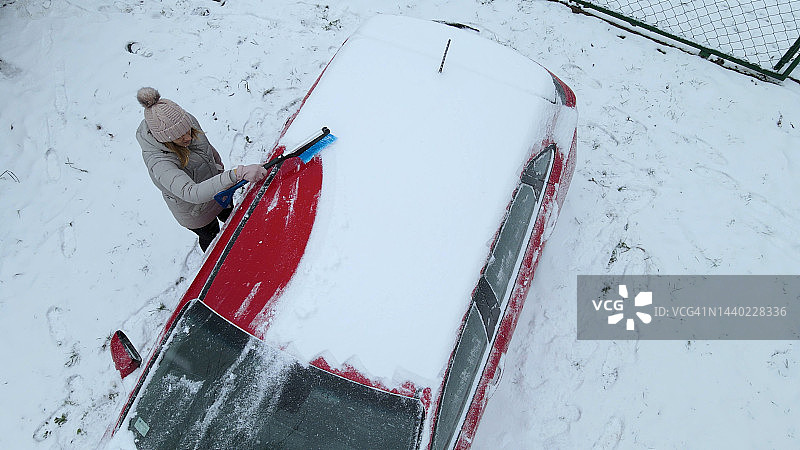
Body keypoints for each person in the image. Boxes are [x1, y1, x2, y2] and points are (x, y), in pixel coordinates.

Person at [135, 87, 267, 251]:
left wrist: (218, 167)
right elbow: (191, 192)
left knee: (233, 218)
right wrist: (236, 174)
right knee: (212, 240)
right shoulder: (160, 163)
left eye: (188, 130)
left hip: (220, 191)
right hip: (197, 212)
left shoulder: (185, 122)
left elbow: (206, 148)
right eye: (180, 136)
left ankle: (247, 242)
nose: (188, 137)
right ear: (165, 140)